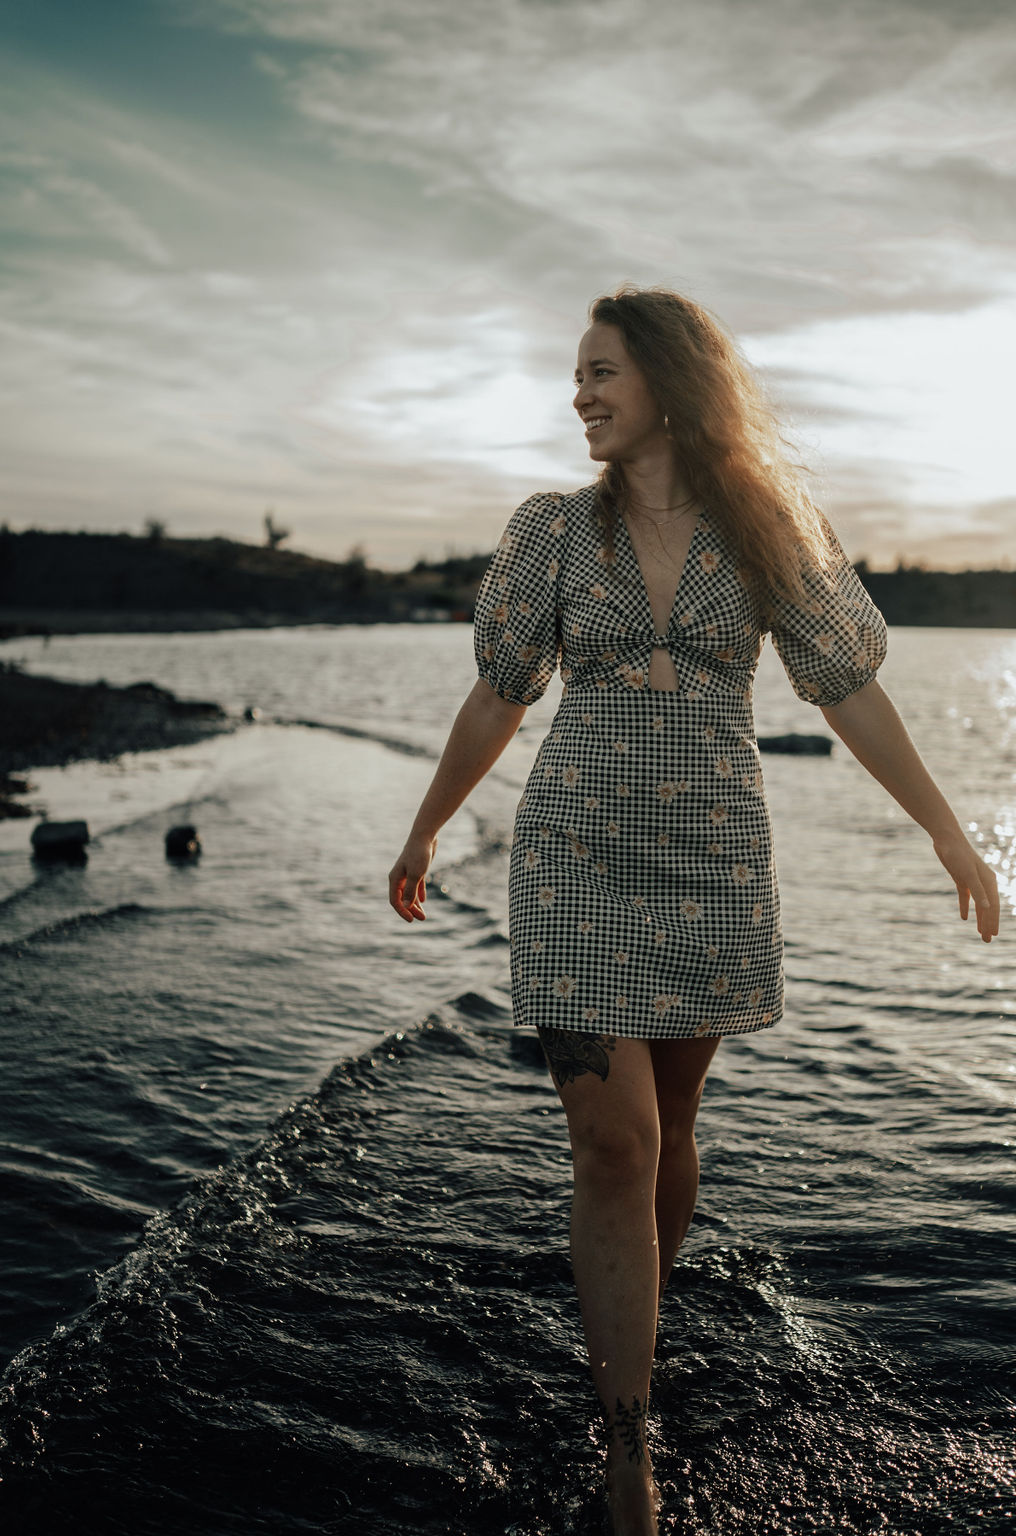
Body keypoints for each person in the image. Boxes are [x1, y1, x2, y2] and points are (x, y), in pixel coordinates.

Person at [388, 286, 1000, 1536]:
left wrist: (952, 834)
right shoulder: (550, 532)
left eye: (601, 372)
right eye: (576, 375)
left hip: (710, 864)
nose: (580, 395)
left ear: (669, 380)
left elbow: (853, 692)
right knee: (613, 1147)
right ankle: (625, 1454)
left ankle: (635, 1359)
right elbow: (497, 700)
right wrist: (428, 822)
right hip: (571, 860)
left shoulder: (765, 527)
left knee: (668, 1134)